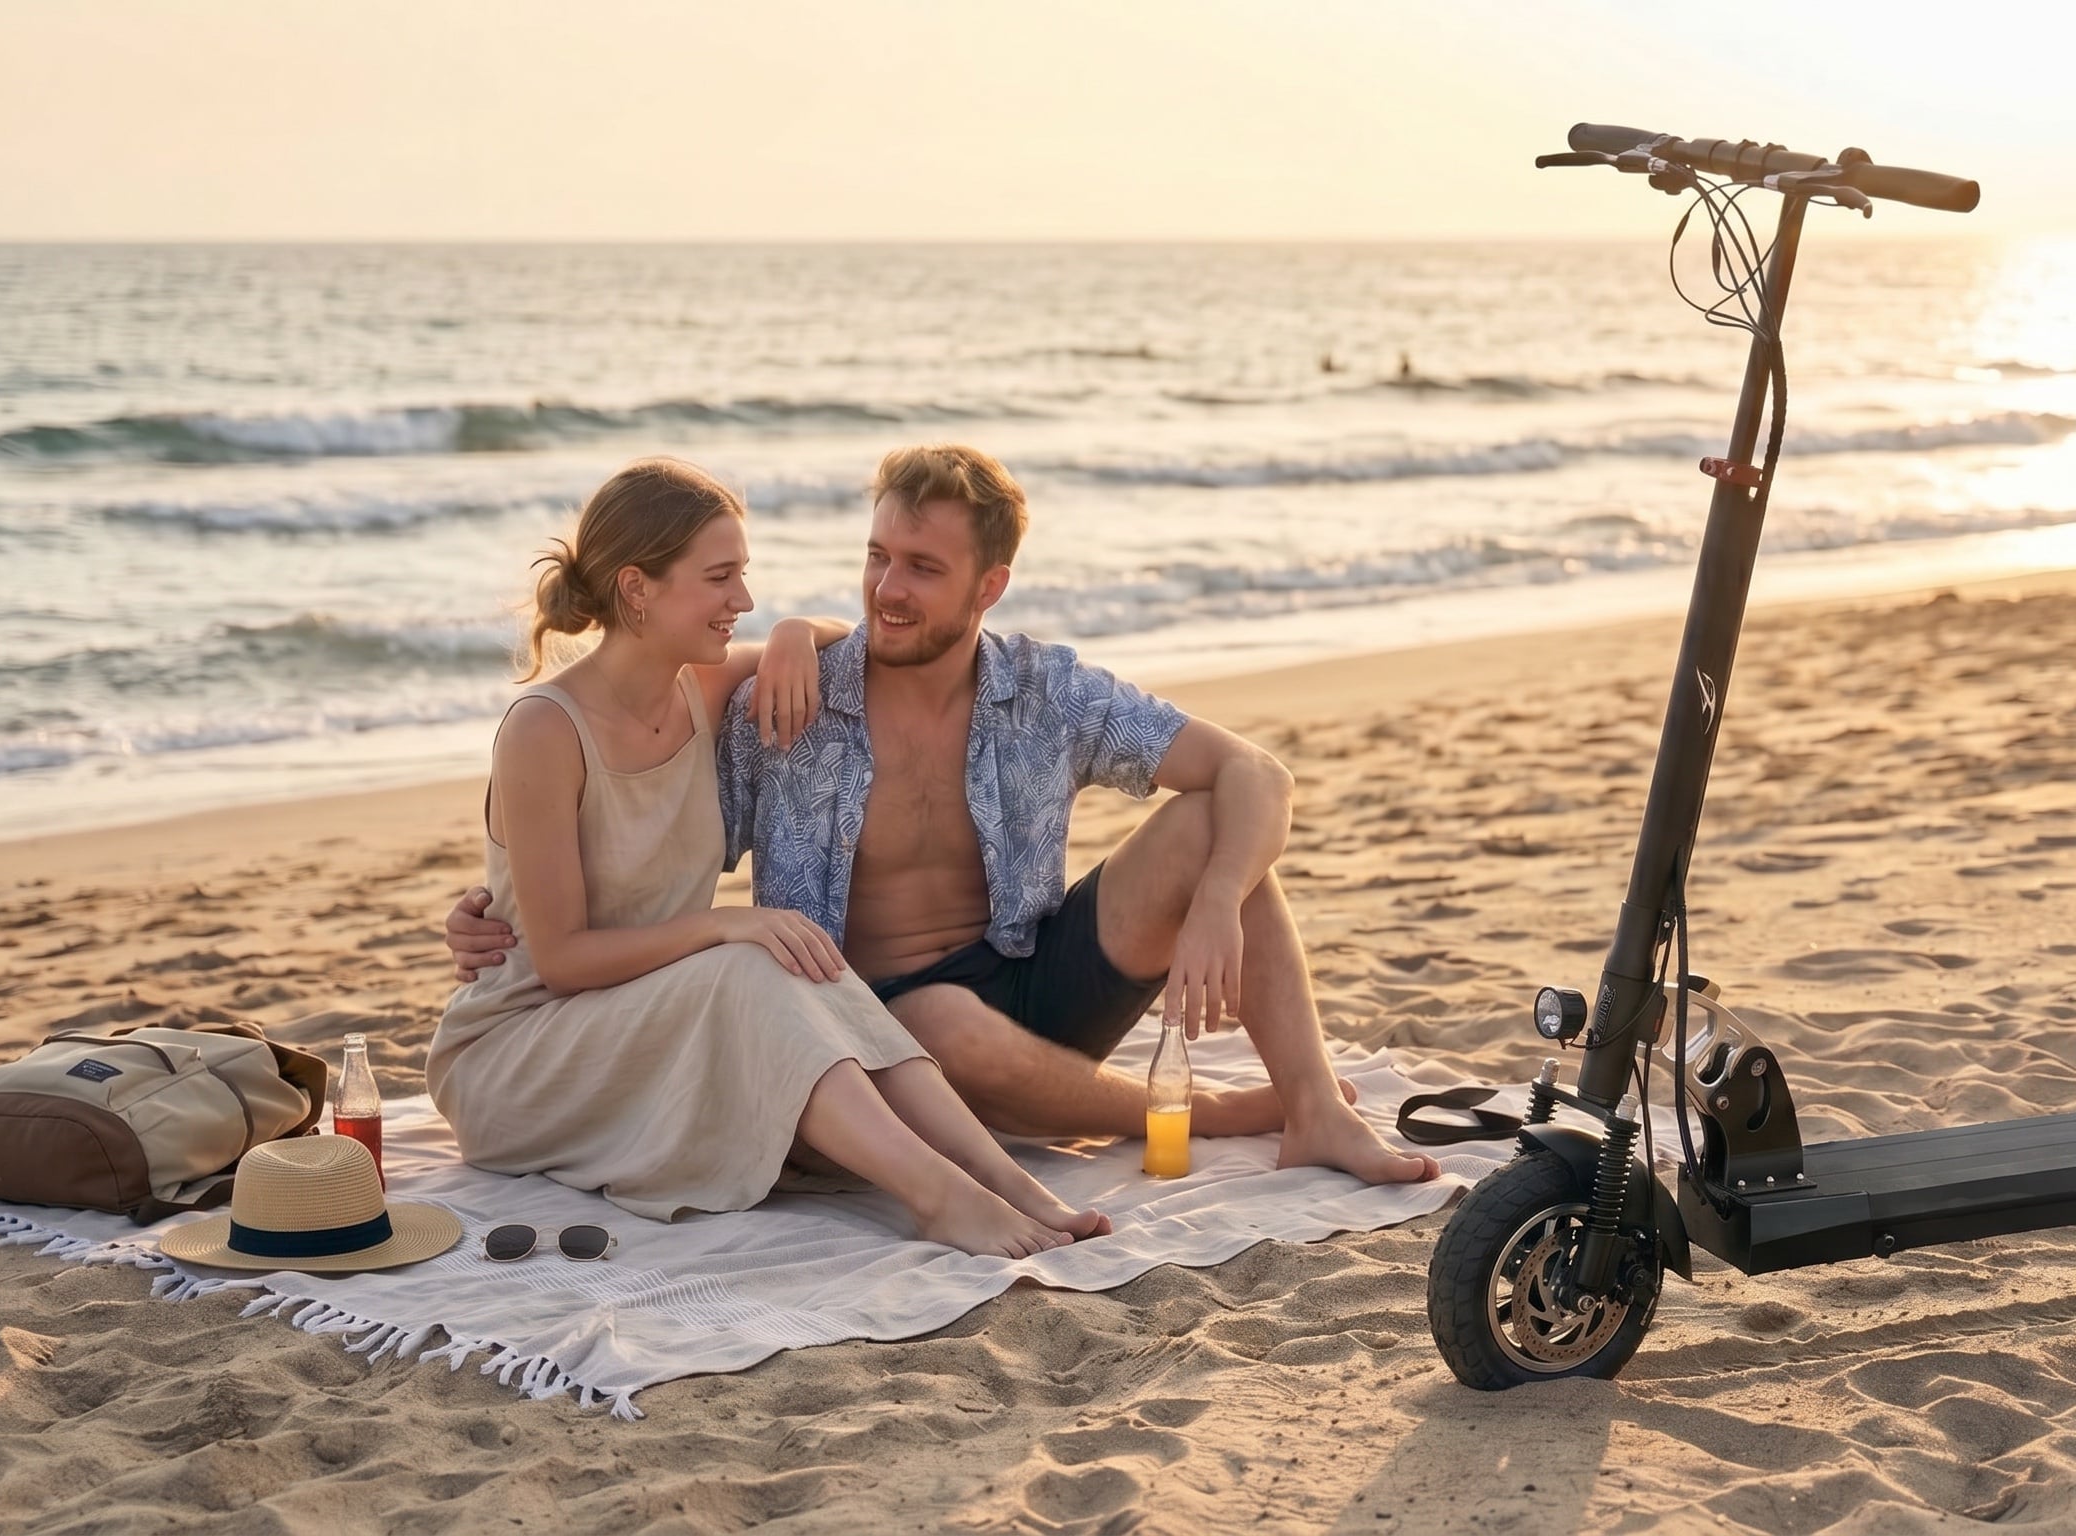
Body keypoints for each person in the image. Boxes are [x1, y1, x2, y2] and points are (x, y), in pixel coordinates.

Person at [450, 445, 1437, 1188]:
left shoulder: (1044, 690)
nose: (887, 589)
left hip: (1035, 988)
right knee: (940, 1021)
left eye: (922, 567)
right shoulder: (785, 706)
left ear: (988, 586)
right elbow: (626, 812)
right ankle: (1199, 1113)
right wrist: (490, 910)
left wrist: (1219, 898)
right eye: (878, 557)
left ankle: (1313, 1108)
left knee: (1211, 825)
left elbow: (1255, 772)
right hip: (869, 1030)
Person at [431, 457, 1106, 1258]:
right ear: (637, 588)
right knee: (755, 952)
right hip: (524, 1057)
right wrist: (726, 926)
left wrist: (791, 636)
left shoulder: (706, 691)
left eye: (743, 576)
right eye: (720, 578)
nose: (743, 601)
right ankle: (939, 1198)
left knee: (802, 958)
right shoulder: (543, 729)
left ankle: (1008, 1182)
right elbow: (564, 961)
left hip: (651, 1022)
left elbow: (842, 640)